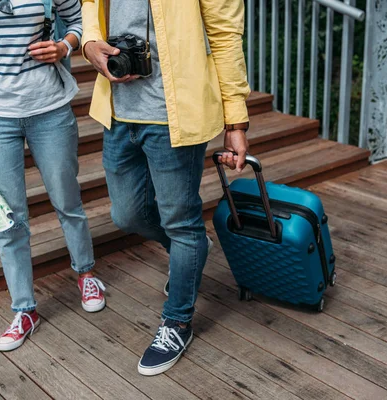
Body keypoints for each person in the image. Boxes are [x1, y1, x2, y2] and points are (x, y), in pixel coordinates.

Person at [82, 0, 251, 375]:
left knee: (181, 222)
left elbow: (225, 37)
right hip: (117, 112)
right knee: (127, 214)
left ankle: (177, 322)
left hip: (173, 115)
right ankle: (189, 251)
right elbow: (90, 7)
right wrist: (89, 43)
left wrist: (235, 122)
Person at [0, 0, 106, 352]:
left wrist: (64, 45)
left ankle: (86, 273)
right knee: (9, 218)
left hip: (49, 108)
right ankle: (24, 309)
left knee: (67, 198)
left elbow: (79, 19)